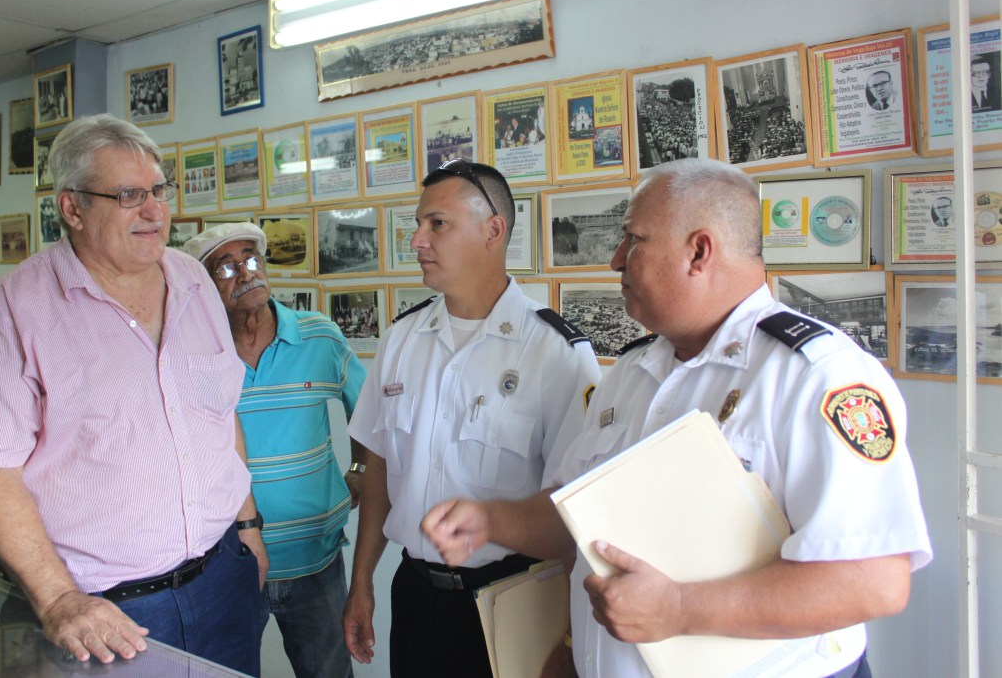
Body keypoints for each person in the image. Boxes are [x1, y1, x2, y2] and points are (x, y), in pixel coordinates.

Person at [422, 158, 932, 678]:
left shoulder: (817, 377)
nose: (615, 260)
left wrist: (681, 608)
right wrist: (492, 522)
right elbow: (580, 521)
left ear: (699, 252)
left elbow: (873, 580)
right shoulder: (633, 372)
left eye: (633, 241)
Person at [0, 114, 267, 676]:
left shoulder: (194, 281)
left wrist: (247, 529)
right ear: (72, 208)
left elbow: (219, 415)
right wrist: (57, 601)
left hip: (224, 578)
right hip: (106, 612)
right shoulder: (12, 313)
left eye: (157, 192)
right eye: (127, 195)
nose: (153, 211)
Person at [342, 159, 601, 678]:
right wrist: (362, 581)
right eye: (417, 224)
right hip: (414, 594)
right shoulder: (400, 340)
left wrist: (573, 636)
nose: (417, 240)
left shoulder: (554, 352)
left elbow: (578, 507)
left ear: (493, 230)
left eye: (437, 223)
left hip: (514, 599)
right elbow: (378, 473)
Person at [184, 222, 368, 678]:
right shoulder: (194, 352)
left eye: (250, 259)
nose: (245, 274)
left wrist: (360, 465)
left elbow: (369, 411)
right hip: (227, 563)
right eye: (225, 267)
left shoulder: (319, 336)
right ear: (204, 287)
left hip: (315, 559)